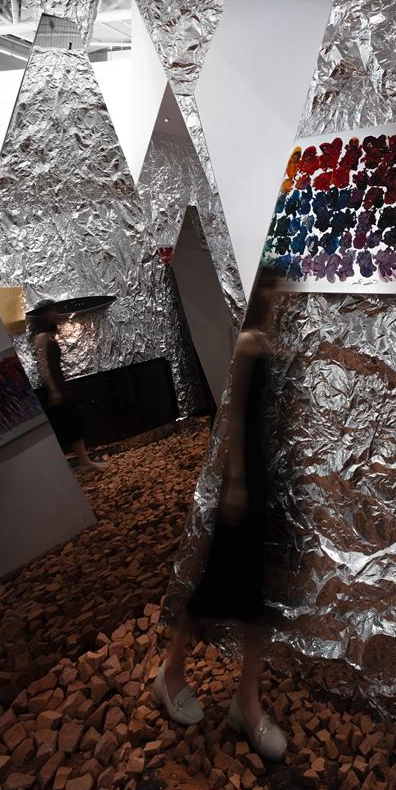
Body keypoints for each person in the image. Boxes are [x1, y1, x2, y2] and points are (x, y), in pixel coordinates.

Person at [152, 268, 287, 760]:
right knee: (217, 585)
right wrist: (235, 481)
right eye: (274, 289)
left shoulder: (266, 340)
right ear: (261, 293)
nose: (281, 298)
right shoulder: (248, 342)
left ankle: (246, 701)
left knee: (255, 595)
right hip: (244, 483)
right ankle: (171, 673)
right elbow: (231, 415)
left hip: (262, 480)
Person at [29, 299, 105, 472]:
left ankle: (85, 461)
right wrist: (53, 390)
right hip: (54, 388)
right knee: (67, 425)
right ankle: (79, 463)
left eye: (55, 310)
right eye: (51, 311)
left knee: (72, 422)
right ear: (43, 315)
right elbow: (43, 367)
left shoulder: (49, 336)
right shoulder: (41, 338)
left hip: (60, 385)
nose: (54, 314)